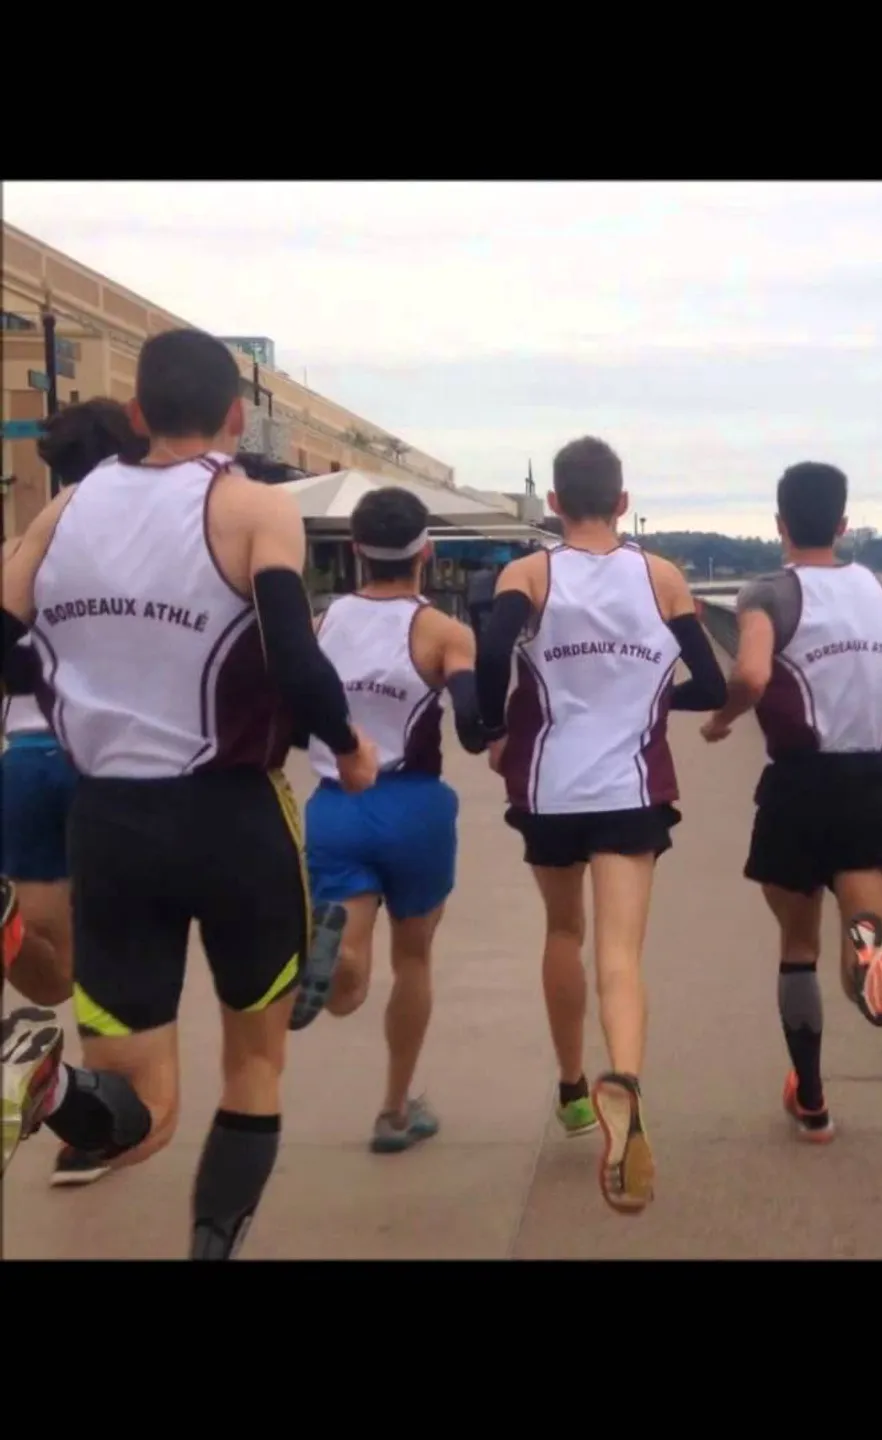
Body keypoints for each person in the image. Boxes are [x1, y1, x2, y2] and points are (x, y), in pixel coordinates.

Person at [0, 328, 378, 1258]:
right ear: (237, 416)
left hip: (109, 825)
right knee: (254, 1063)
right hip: (230, 815)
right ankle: (214, 1247)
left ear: (136, 415)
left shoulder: (63, 514)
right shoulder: (253, 507)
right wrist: (347, 744)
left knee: (141, 1112)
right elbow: (294, 653)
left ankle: (58, 1091)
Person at [474, 436, 726, 1213]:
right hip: (631, 787)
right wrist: (654, 703)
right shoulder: (663, 577)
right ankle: (627, 1077)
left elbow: (489, 653)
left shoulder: (530, 573)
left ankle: (574, 1091)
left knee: (563, 934)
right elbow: (711, 682)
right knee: (620, 953)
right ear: (622, 502)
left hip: (550, 788)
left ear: (553, 503)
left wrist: (494, 730)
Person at [699, 461, 882, 1142]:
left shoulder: (768, 593)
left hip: (797, 788)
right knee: (860, 927)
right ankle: (870, 950)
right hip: (871, 786)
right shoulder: (881, 589)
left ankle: (811, 1100)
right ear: (843, 524)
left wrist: (722, 719)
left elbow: (751, 672)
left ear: (780, 524)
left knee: (796, 946)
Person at [292, 485, 492, 1154]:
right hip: (415, 806)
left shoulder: (323, 625)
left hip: (338, 803)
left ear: (355, 552)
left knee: (349, 978)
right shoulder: (444, 631)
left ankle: (335, 958)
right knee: (414, 959)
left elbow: (296, 715)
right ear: (425, 553)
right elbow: (469, 724)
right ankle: (395, 1111)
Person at [0, 397, 145, 1187]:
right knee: (109, 958)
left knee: (48, 968)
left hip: (24, 759)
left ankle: (10, 932)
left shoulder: (16, 552)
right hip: (107, 766)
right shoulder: (140, 561)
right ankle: (92, 1129)